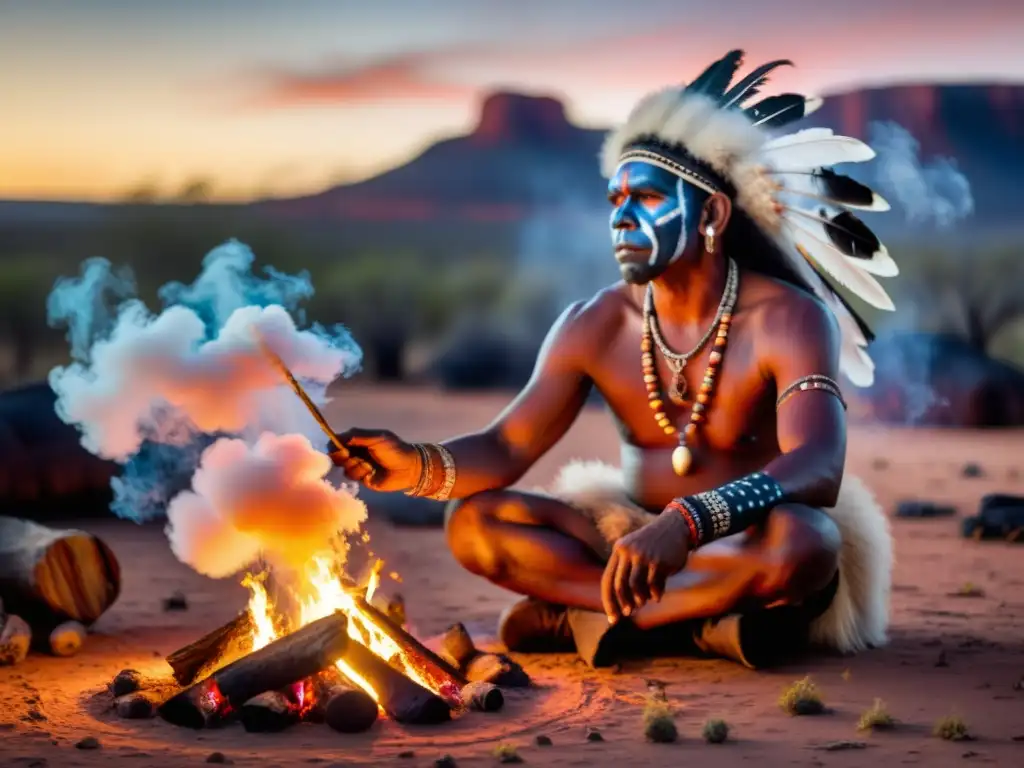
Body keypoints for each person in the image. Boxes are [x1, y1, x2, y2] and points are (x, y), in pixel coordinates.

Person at [331, 50, 895, 669]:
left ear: (711, 214)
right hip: (625, 542)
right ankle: (691, 623)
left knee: (806, 543)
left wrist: (686, 523)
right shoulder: (594, 323)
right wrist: (412, 466)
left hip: (742, 540)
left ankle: (591, 616)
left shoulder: (788, 318)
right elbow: (506, 448)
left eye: (646, 198)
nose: (621, 218)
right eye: (614, 200)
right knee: (473, 524)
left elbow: (817, 464)